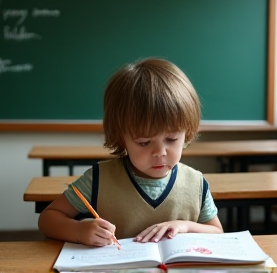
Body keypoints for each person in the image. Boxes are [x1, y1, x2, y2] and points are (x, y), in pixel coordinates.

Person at [38, 57, 223, 247]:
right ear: (121, 138)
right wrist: (79, 231)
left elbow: (218, 232)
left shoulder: (196, 183)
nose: (160, 152)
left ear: (187, 131)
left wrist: (185, 226)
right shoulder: (99, 179)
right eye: (144, 142)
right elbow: (48, 219)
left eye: (171, 139)